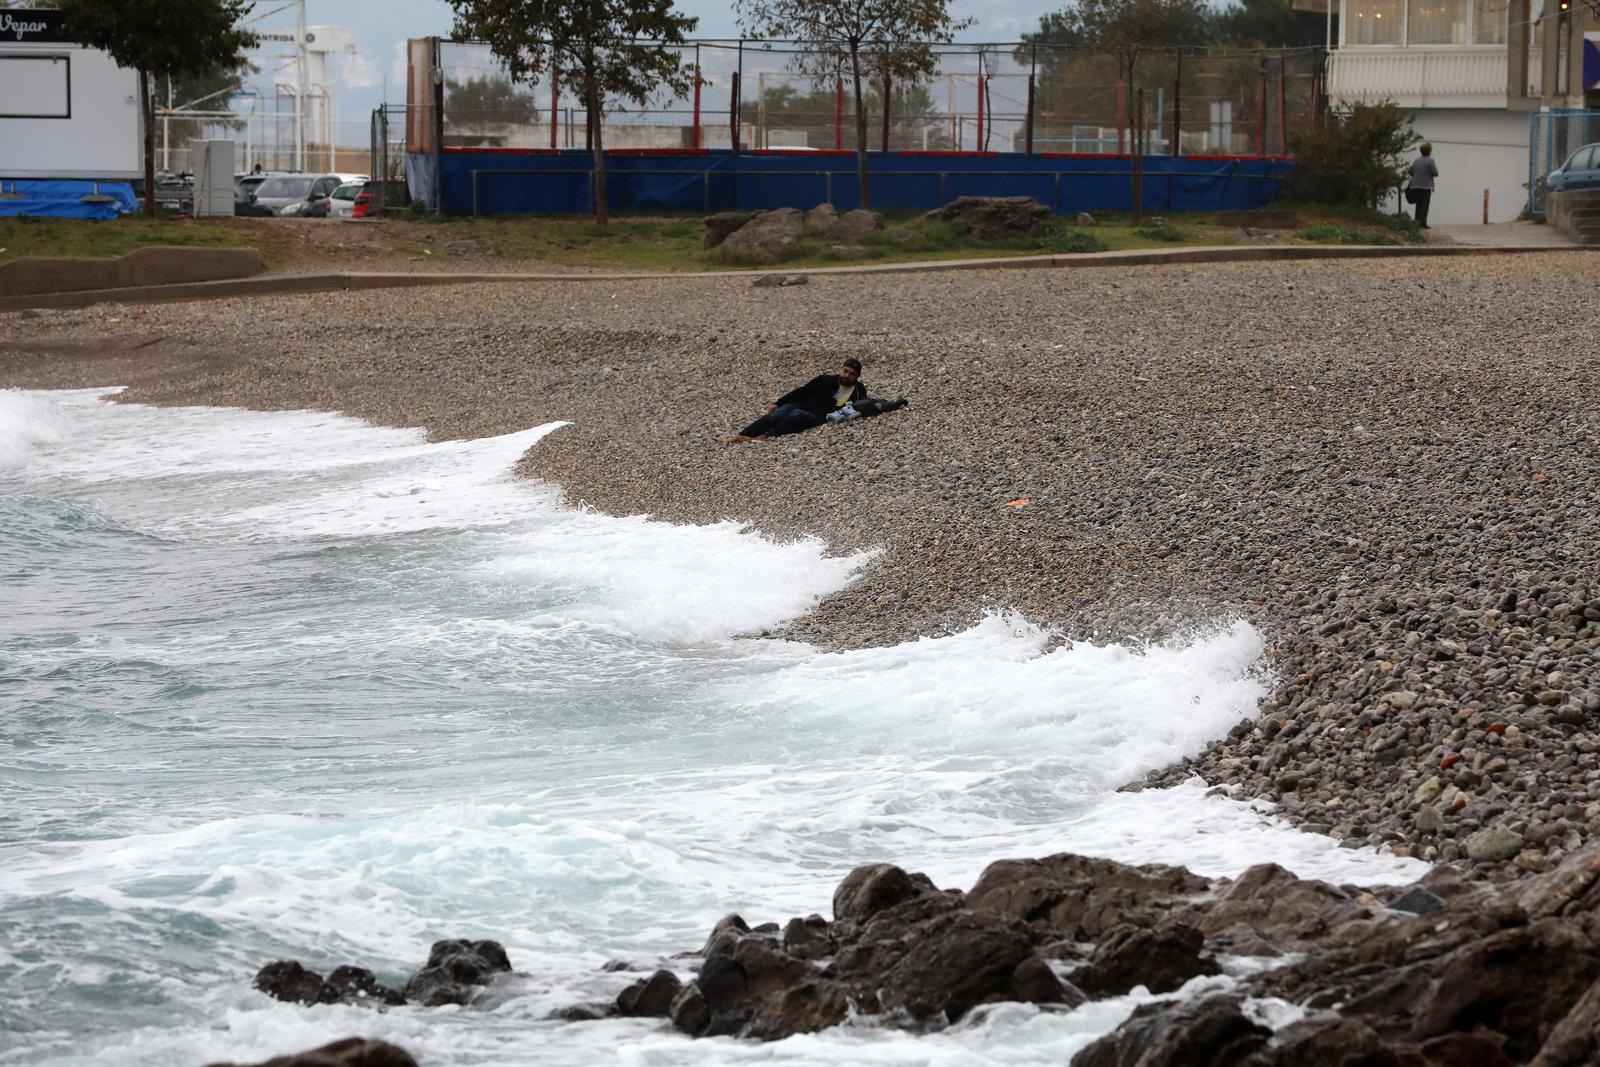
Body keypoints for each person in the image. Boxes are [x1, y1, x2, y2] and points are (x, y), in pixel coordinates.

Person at [725, 358, 867, 443]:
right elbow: (801, 391)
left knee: (795, 415)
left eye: (852, 374)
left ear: (857, 377)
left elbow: (862, 406)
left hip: (817, 416)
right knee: (777, 414)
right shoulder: (825, 380)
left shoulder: (858, 390)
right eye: (845, 371)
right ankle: (740, 436)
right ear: (841, 369)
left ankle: (764, 437)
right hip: (804, 404)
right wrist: (778, 403)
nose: (847, 375)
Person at [1410, 143, 1438, 229]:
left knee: (1418, 204)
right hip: (1426, 186)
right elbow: (1435, 173)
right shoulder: (1430, 160)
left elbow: (1410, 171)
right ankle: (1423, 223)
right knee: (1425, 205)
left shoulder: (1416, 160)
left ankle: (1417, 221)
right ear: (1429, 151)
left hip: (1416, 186)